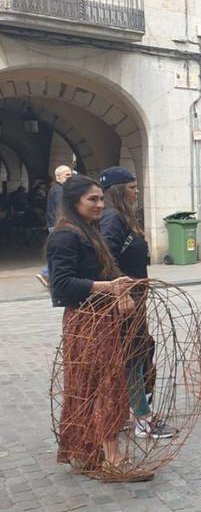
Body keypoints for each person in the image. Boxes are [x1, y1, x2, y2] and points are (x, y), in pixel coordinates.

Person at [47, 175, 136, 475]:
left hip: (103, 317)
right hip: (86, 321)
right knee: (101, 386)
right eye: (92, 200)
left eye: (101, 199)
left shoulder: (90, 230)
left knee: (97, 385)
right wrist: (107, 288)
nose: (100, 204)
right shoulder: (65, 236)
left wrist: (119, 289)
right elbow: (61, 285)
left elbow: (105, 270)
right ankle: (110, 457)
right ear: (75, 203)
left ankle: (89, 452)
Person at [98, 167, 174, 439]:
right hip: (125, 301)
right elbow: (106, 257)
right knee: (133, 354)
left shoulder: (124, 218)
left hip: (135, 297)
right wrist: (122, 291)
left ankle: (137, 410)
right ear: (119, 191)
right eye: (132, 187)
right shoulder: (112, 219)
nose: (137, 190)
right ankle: (142, 418)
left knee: (141, 350)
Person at [38, 165, 74, 286]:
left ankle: (48, 274)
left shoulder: (55, 189)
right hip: (58, 224)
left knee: (59, 251)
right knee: (61, 251)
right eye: (67, 175)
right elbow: (61, 209)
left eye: (70, 174)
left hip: (54, 224)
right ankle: (46, 273)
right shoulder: (59, 190)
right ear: (58, 176)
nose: (70, 177)